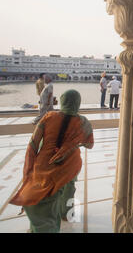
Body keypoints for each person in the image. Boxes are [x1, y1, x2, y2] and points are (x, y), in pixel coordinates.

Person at [10, 90, 94, 233]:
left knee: (46, 197)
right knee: (68, 189)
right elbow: (89, 144)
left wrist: (30, 167)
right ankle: (67, 214)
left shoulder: (49, 117)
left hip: (44, 165)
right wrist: (73, 143)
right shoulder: (83, 122)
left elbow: (33, 143)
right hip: (70, 166)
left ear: (62, 100)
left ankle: (41, 226)